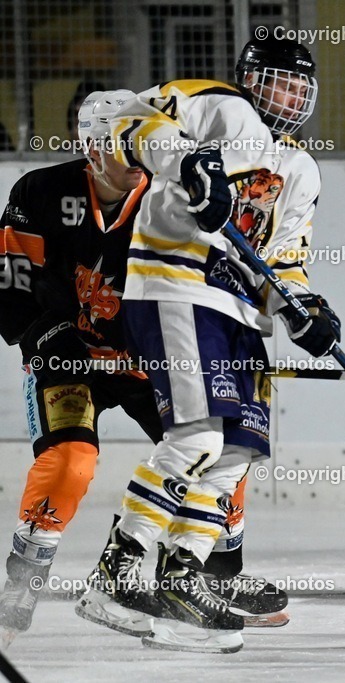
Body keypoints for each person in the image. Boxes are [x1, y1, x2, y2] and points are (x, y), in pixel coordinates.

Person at [75, 37, 339, 654]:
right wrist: (187, 162)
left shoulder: (303, 170)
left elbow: (283, 265)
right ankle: (117, 572)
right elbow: (119, 112)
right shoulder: (219, 107)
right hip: (175, 284)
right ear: (250, 78)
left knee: (236, 451)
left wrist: (306, 312)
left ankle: (182, 576)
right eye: (280, 82)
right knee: (195, 437)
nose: (293, 96)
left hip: (240, 311)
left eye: (302, 87)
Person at [0, 89, 282, 646]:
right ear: (91, 147)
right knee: (70, 463)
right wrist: (45, 336)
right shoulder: (39, 191)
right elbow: (9, 284)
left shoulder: (169, 194)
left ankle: (209, 575)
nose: (136, 160)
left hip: (142, 360)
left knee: (219, 446)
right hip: (67, 358)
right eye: (121, 147)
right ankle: (23, 580)